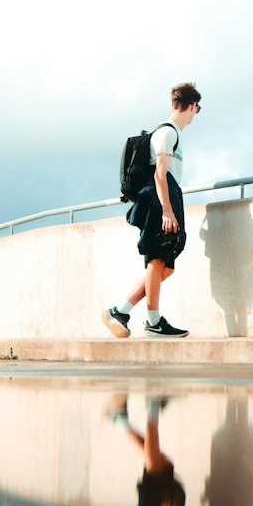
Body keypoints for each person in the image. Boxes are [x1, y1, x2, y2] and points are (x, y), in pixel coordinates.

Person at [103, 82, 202, 339]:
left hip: (164, 196)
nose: (195, 115)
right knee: (158, 259)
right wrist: (167, 210)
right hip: (161, 199)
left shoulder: (167, 133)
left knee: (164, 265)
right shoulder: (168, 133)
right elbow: (160, 174)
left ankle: (121, 311)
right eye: (197, 109)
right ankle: (153, 321)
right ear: (191, 106)